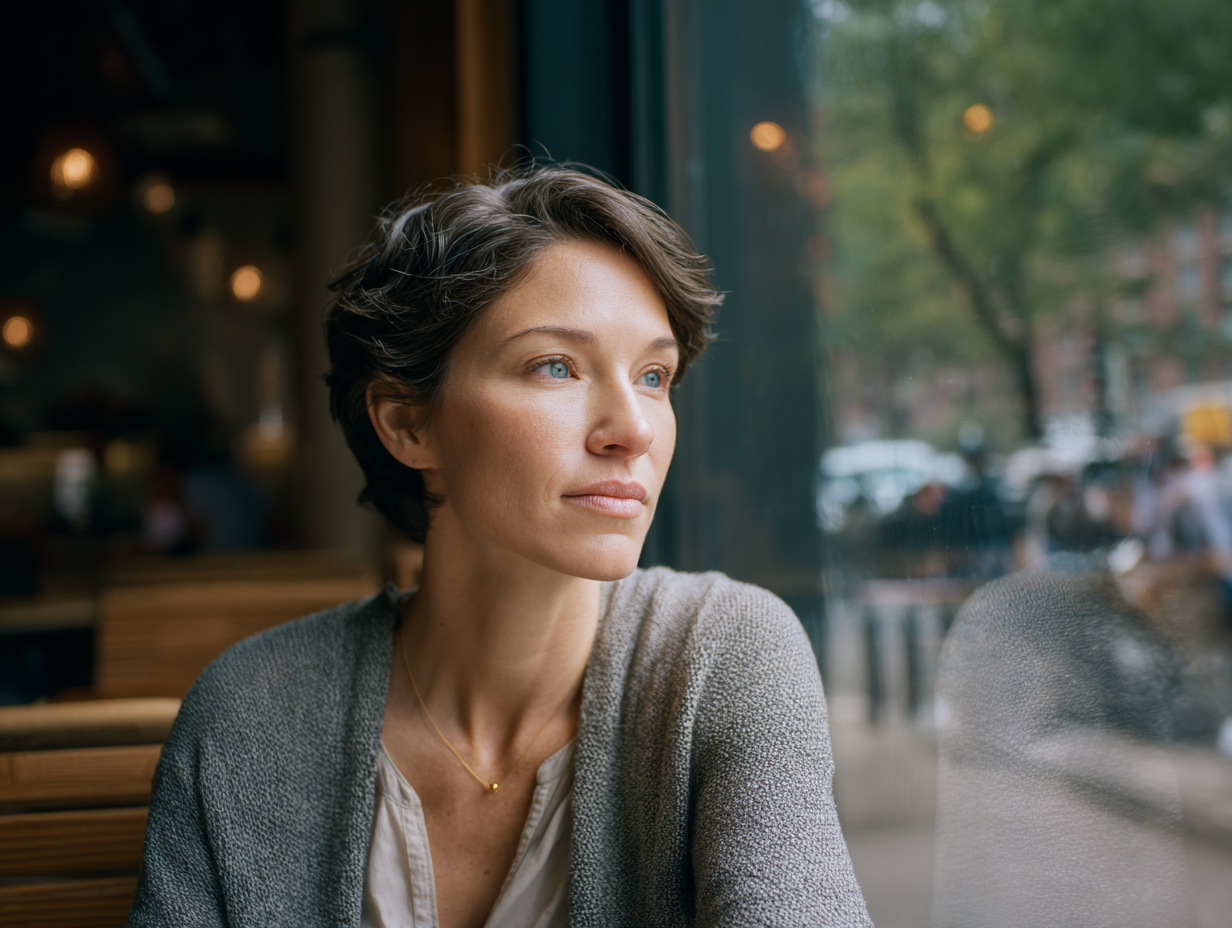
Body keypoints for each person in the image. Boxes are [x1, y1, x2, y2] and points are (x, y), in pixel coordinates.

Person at [127, 165, 871, 928]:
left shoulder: (723, 655)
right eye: (557, 365)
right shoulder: (248, 713)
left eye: (654, 376)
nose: (635, 429)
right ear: (407, 424)